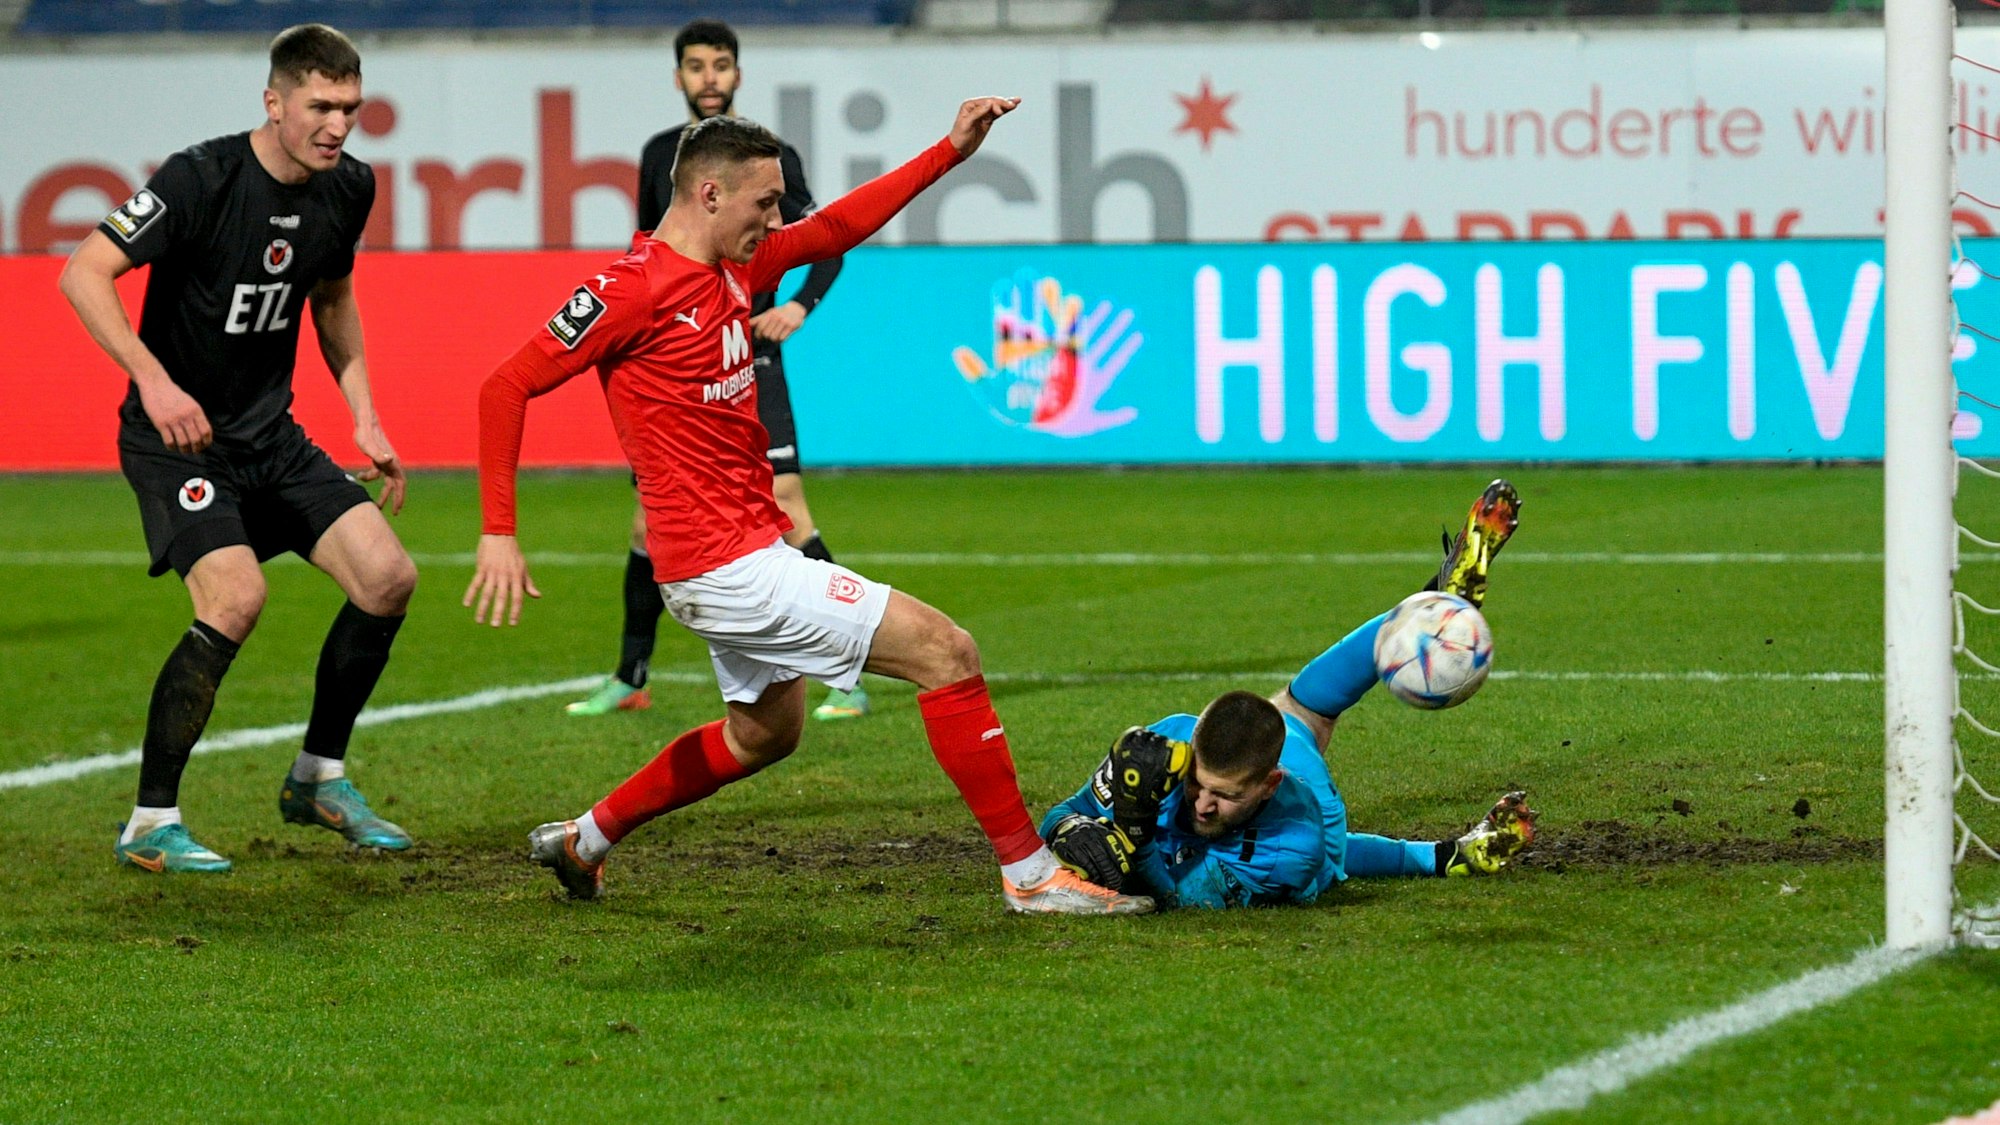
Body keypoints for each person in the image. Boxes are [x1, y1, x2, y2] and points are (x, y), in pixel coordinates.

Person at [464, 99, 1149, 916]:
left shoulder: (734, 266)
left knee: (764, 734)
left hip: (747, 552)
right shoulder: (630, 290)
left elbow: (836, 231)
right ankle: (1031, 876)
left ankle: (586, 839)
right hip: (726, 566)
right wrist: (499, 531)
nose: (777, 218)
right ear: (710, 194)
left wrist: (950, 151)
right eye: (765, 202)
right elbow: (506, 385)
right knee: (946, 651)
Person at [58, 24, 418, 874]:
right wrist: (153, 378)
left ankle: (318, 777)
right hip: (177, 444)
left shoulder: (348, 188)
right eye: (321, 107)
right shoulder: (201, 177)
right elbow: (83, 270)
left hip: (271, 438)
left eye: (351, 109)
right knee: (235, 596)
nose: (338, 125)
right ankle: (150, 820)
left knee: (388, 576)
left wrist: (363, 412)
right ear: (275, 102)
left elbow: (331, 298)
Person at [1041, 481, 1537, 909]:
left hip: (1306, 809)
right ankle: (1425, 613)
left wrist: (1135, 829)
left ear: (1268, 784)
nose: (1204, 805)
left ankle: (1424, 618)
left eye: (1226, 795)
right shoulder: (1167, 741)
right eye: (1199, 784)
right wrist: (1068, 830)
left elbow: (1178, 898)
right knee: (1302, 705)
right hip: (1277, 743)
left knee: (1334, 853)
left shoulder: (1294, 849)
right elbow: (1059, 816)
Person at [568, 18, 865, 723]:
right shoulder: (658, 157)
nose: (709, 78)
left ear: (738, 75)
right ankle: (631, 675)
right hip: (678, 363)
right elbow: (651, 249)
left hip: (747, 354)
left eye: (720, 65)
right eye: (695, 66)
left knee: (787, 505)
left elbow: (825, 244)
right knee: (647, 521)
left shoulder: (770, 156)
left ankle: (846, 673)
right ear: (679, 77)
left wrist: (796, 308)